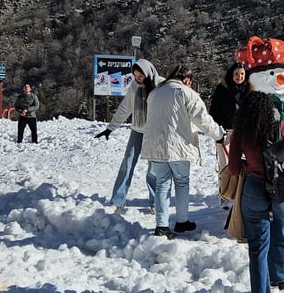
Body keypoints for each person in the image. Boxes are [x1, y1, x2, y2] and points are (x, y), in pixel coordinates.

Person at [227, 91, 284, 293]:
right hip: (281, 188)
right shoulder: (281, 127)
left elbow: (235, 169)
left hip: (254, 188)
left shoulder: (242, 132)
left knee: (258, 244)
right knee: (279, 230)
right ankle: (279, 277)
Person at [141, 65, 225, 237]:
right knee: (181, 183)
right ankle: (181, 221)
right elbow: (202, 119)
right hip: (179, 146)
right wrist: (219, 134)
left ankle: (161, 226)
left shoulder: (155, 93)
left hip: (156, 146)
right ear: (187, 80)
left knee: (162, 184)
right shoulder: (186, 92)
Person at [95, 59, 163, 211]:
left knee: (153, 169)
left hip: (154, 132)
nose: (138, 79)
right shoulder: (134, 87)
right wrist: (110, 128)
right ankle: (117, 200)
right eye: (135, 76)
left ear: (148, 72)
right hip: (137, 130)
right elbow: (125, 108)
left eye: (140, 76)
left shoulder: (161, 85)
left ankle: (155, 203)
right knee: (127, 163)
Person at [208, 62, 248, 201]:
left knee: (242, 163)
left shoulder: (249, 89)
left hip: (243, 133)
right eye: (236, 74)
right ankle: (224, 193)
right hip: (225, 132)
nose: (239, 76)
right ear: (231, 74)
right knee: (225, 164)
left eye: (242, 74)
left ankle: (239, 191)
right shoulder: (222, 89)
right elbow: (214, 111)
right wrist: (217, 129)